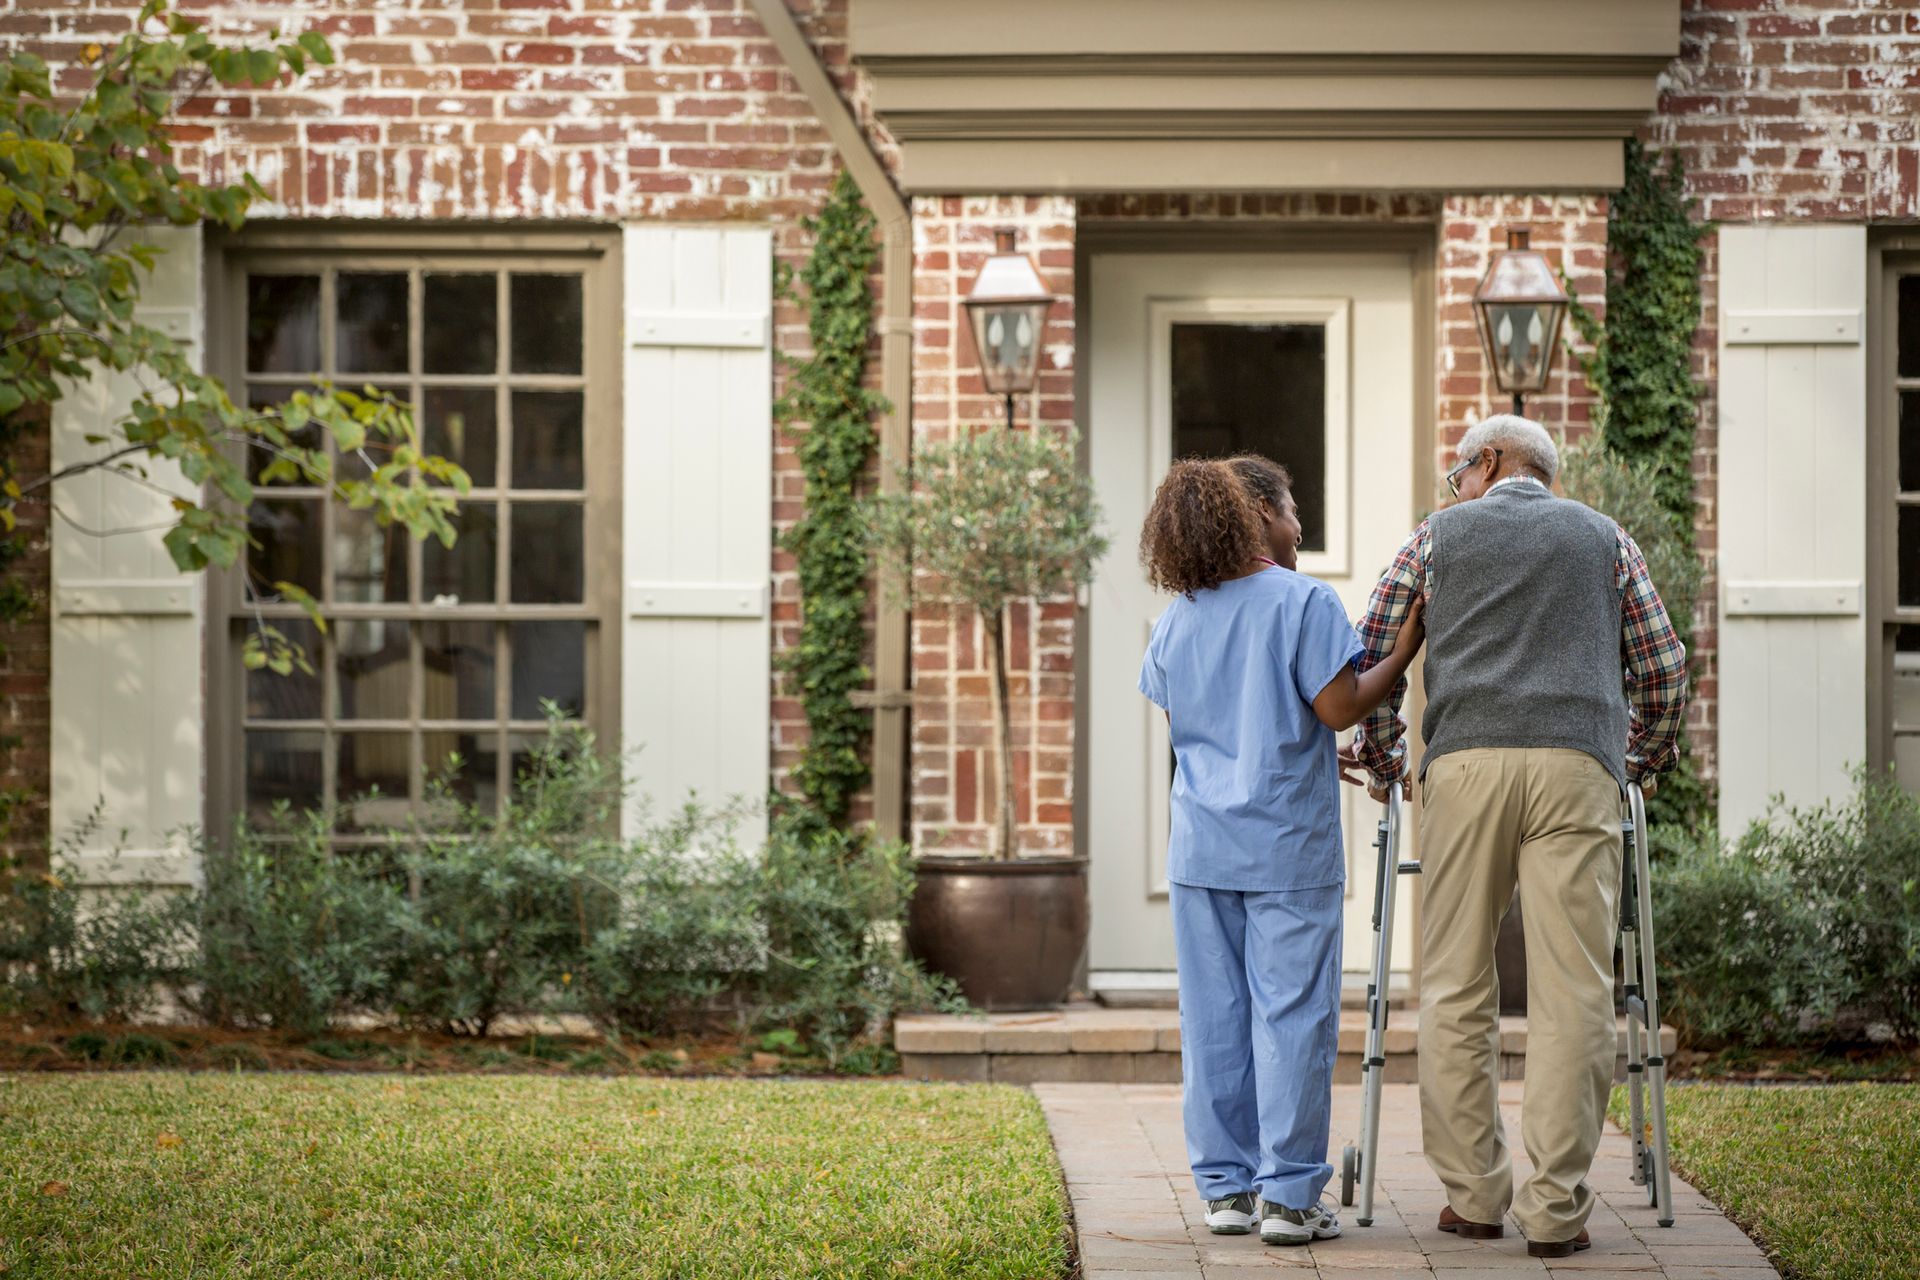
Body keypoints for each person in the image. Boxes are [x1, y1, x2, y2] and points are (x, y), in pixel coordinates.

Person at [1340, 414, 1688, 1258]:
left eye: (1458, 472)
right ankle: (1558, 1210)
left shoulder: (1436, 536)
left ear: (1487, 463)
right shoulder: (1607, 540)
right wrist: (1635, 756)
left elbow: (1374, 648)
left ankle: (1475, 1196)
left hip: (1465, 769)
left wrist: (1386, 760)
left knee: (1457, 980)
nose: (1454, 489)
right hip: (1579, 768)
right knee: (1573, 991)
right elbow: (1665, 668)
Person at [1137, 455, 1425, 1247]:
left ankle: (1226, 1192)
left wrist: (1289, 746)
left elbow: (1199, 733)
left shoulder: (1180, 616)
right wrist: (1402, 651)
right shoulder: (1302, 600)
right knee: (1293, 1018)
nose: (1301, 529)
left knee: (1215, 1021)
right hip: (1287, 852)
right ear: (1258, 514)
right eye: (1294, 513)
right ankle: (1291, 1200)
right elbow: (1337, 708)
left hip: (1202, 851)